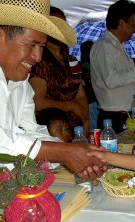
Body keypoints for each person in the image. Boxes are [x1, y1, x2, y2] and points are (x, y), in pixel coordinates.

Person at [0, 0, 106, 197]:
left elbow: (30, 132)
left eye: (42, 46)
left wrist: (72, 153)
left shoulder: (18, 80)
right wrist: (64, 153)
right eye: (32, 45)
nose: (38, 56)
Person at [90, 0, 135, 133]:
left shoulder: (119, 46)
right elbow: (111, 81)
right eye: (133, 24)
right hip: (113, 118)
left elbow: (126, 83)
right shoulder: (104, 46)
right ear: (122, 23)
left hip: (127, 114)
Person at [29, 7, 90, 137]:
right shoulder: (40, 61)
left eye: (63, 24)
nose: (60, 29)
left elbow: (81, 95)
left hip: (76, 128)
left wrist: (85, 121)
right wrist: (71, 106)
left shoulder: (72, 60)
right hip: (53, 130)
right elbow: (37, 102)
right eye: (55, 24)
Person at [80, 40, 99, 131]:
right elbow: (90, 81)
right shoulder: (86, 65)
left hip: (94, 99)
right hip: (91, 100)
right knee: (94, 127)